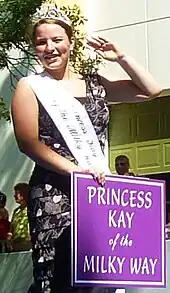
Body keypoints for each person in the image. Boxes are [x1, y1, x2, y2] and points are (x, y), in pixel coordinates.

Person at [11, 3, 162, 293]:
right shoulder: (30, 87)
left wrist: (120, 57)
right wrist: (77, 172)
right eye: (41, 42)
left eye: (57, 40)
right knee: (60, 276)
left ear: (70, 42)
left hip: (98, 191)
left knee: (103, 275)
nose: (50, 48)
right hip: (55, 193)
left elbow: (151, 90)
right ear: (35, 48)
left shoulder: (94, 84)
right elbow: (28, 142)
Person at [8, 183, 31, 252]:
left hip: (28, 244)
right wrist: (9, 238)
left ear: (24, 194)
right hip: (16, 244)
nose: (14, 196)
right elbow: (11, 229)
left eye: (17, 193)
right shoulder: (16, 211)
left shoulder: (31, 209)